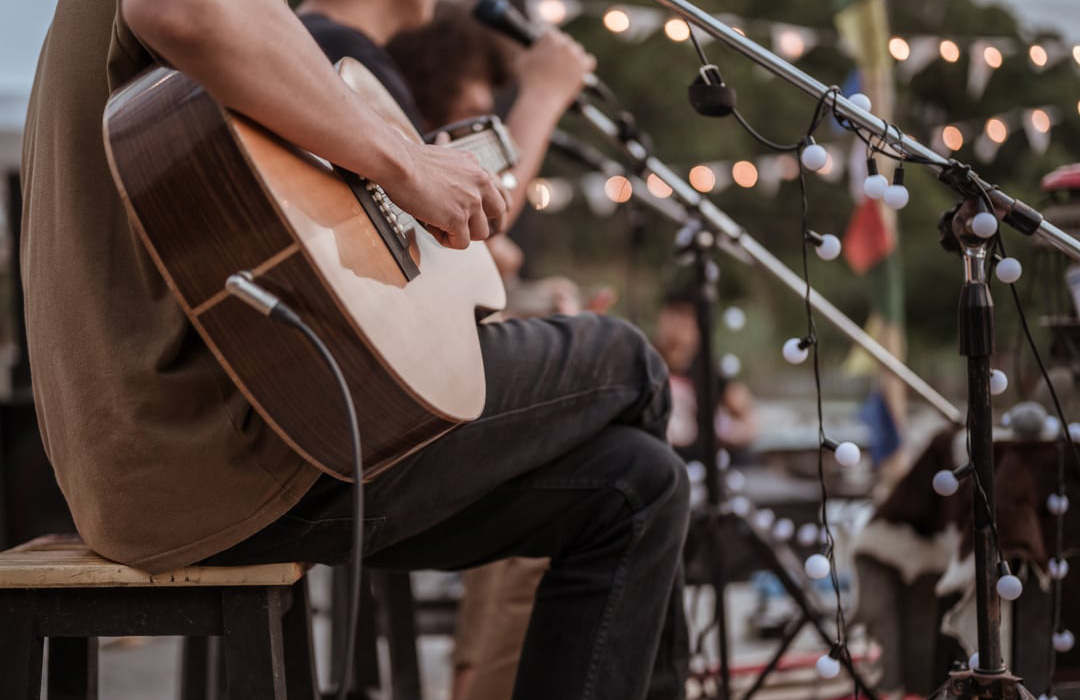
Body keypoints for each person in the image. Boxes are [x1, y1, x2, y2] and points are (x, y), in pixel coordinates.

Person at [21, 1, 690, 699]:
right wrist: (406, 161)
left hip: (185, 458)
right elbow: (182, 10)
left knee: (640, 484)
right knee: (627, 359)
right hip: (226, 456)